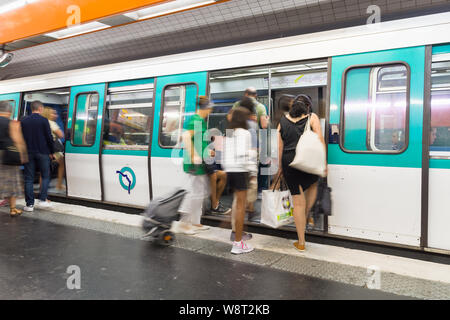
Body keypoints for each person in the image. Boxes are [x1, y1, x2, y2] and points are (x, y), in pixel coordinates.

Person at [277, 95, 326, 252]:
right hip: (309, 161)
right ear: (308, 107)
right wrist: (324, 163)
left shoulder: (282, 122)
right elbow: (320, 140)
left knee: (297, 202)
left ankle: (301, 242)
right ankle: (306, 217)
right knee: (313, 185)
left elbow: (279, 149)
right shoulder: (312, 117)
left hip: (289, 163)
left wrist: (280, 169)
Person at [173, 96, 213, 234]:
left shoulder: (200, 121)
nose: (210, 111)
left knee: (200, 193)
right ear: (206, 108)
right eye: (210, 109)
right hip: (194, 163)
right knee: (195, 194)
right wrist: (194, 155)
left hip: (200, 162)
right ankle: (184, 224)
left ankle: (196, 222)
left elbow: (199, 141)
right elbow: (185, 137)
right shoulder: (196, 120)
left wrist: (207, 152)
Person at [222, 107, 258, 254]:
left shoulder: (230, 134)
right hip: (240, 171)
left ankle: (237, 239)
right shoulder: (244, 133)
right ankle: (238, 243)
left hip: (230, 171)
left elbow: (225, 156)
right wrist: (253, 170)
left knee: (237, 205)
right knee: (241, 207)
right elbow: (244, 154)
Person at [21, 100, 55, 212]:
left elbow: (21, 137)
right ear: (40, 108)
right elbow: (49, 137)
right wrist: (52, 151)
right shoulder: (44, 120)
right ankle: (42, 200)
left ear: (32, 108)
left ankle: (29, 205)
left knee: (29, 179)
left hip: (28, 153)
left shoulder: (24, 120)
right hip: (43, 152)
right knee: (45, 176)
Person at [0, 101, 28, 216]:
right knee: (12, 182)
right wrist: (23, 155)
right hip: (7, 156)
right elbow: (18, 140)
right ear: (10, 111)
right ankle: (12, 209)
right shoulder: (13, 123)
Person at [42, 107, 65, 191]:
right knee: (62, 164)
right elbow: (61, 134)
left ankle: (42, 188)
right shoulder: (51, 123)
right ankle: (59, 185)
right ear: (48, 114)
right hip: (53, 148)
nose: (56, 115)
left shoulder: (43, 122)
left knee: (44, 168)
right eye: (53, 113)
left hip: (44, 148)